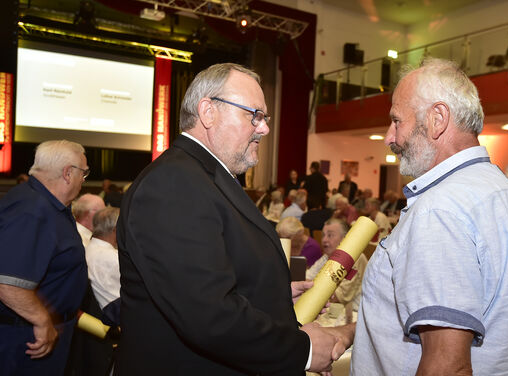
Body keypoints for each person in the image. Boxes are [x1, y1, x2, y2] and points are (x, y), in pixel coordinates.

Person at [116, 63, 340, 375]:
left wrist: (272, 292)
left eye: (264, 118)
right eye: (255, 115)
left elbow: (203, 276)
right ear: (208, 112)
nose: (264, 128)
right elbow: (207, 315)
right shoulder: (174, 183)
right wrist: (304, 351)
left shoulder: (200, 177)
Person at [349, 58, 508, 375]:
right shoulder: (502, 191)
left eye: (397, 121)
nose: (389, 137)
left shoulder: (441, 209)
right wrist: (349, 334)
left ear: (438, 119)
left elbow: (446, 365)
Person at [0, 140, 89, 375]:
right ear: (68, 173)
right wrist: (42, 320)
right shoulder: (32, 210)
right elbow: (8, 282)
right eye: (84, 172)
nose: (84, 179)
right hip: (27, 340)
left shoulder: (45, 205)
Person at [306, 218, 367, 312]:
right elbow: (306, 278)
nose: (324, 240)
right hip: (330, 310)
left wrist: (310, 287)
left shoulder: (355, 258)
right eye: (323, 235)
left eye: (330, 235)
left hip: (354, 315)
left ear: (345, 238)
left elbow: (337, 297)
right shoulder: (327, 256)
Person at [85, 207, 121, 324]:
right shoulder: (112, 257)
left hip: (98, 315)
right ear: (116, 230)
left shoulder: (87, 249)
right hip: (114, 317)